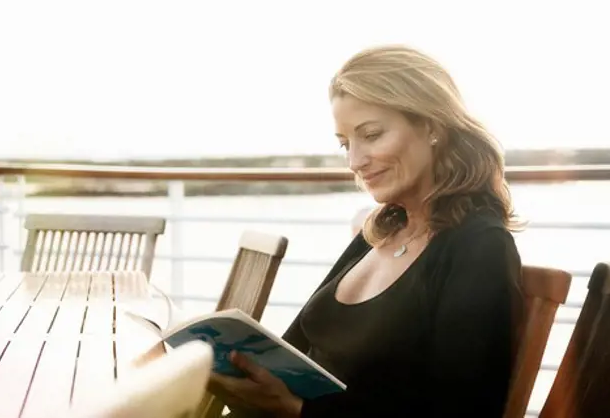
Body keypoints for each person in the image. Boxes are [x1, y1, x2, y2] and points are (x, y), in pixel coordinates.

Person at [209, 45, 524, 417]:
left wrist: (295, 410)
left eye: (371, 135)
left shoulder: (478, 247)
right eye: (345, 143)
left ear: (433, 126)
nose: (355, 161)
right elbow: (294, 349)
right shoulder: (382, 231)